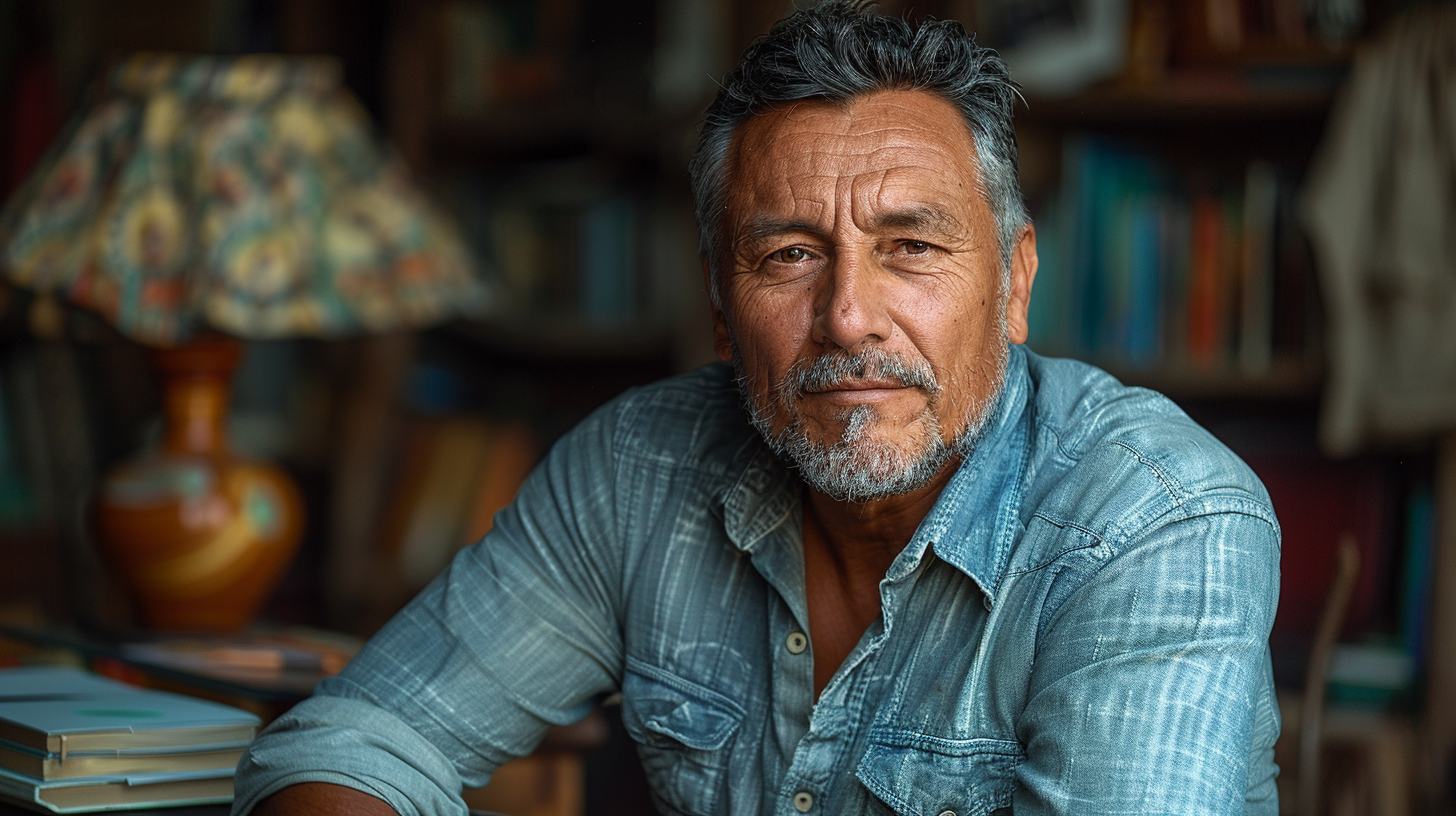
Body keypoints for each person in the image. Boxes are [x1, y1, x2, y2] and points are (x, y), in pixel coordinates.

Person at [234, 3, 1281, 814]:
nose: (847, 317)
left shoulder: (1158, 521)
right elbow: (361, 740)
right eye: (788, 255)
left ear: (1012, 284)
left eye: (911, 247)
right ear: (722, 312)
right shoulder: (635, 468)